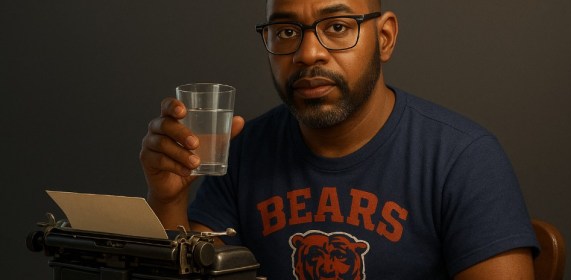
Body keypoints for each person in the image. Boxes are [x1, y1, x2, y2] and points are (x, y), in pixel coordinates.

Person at [140, 0, 540, 279]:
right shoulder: (243, 150)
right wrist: (170, 199)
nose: (308, 53)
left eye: (336, 27)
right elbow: (192, 271)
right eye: (285, 31)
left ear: (384, 38)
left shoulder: (463, 159)